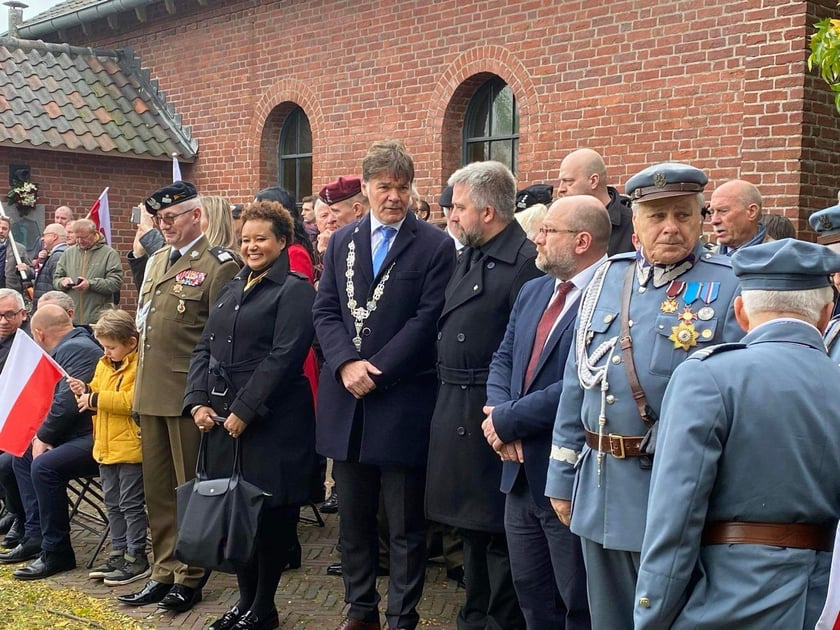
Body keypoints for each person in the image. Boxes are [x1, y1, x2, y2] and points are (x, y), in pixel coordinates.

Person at [545, 162, 744, 629]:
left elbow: (740, 398)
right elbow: (579, 379)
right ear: (634, 222)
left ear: (701, 218)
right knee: (606, 616)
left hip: (673, 493)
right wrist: (559, 473)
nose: (670, 227)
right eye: (656, 216)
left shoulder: (729, 285)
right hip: (599, 486)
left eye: (682, 214)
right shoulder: (607, 279)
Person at [635, 238, 840, 628]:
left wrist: (652, 611)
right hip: (823, 598)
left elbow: (675, 515)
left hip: (725, 597)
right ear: (827, 314)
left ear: (741, 312)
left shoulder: (708, 376)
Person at [313, 139, 455, 630]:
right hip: (346, 401)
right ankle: (360, 608)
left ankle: (402, 613)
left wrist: (376, 370)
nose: (393, 196)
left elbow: (427, 318)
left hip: (400, 399)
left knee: (403, 523)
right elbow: (325, 309)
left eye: (401, 186)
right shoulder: (343, 242)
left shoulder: (435, 246)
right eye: (383, 186)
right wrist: (345, 364)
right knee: (352, 518)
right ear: (367, 189)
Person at [185, 200, 316, 630]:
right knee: (233, 513)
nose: (252, 246)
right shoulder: (231, 286)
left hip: (273, 421)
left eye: (261, 238)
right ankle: (243, 602)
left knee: (269, 516)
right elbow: (204, 347)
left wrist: (246, 409)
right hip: (223, 419)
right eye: (245, 239)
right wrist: (198, 401)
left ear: (282, 241)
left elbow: (284, 356)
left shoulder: (294, 290)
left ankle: (264, 607)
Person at [484, 195, 609, 629]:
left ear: (581, 241)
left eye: (548, 231)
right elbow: (503, 358)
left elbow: (583, 381)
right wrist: (498, 415)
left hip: (568, 478)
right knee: (532, 597)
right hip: (516, 472)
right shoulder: (534, 290)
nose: (536, 238)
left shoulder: (612, 296)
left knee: (578, 602)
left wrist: (507, 421)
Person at [425, 160, 541, 630]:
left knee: (499, 535)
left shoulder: (525, 264)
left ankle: (496, 621)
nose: (451, 215)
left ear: (488, 212)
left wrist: (506, 415)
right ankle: (474, 616)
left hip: (492, 413)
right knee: (471, 530)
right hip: (456, 403)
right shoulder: (469, 255)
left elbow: (525, 351)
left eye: (459, 207)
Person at [118, 181, 240, 613]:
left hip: (189, 395)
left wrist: (205, 396)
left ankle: (190, 574)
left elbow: (219, 338)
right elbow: (147, 329)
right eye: (158, 219)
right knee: (158, 491)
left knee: (190, 487)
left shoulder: (219, 263)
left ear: (196, 216)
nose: (164, 225)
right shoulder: (153, 262)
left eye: (171, 217)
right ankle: (163, 569)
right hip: (151, 390)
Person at [3, 305, 101, 579]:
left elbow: (66, 403)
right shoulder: (71, 346)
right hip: (77, 433)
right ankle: (34, 534)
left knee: (45, 466)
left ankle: (57, 551)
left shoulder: (76, 349)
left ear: (39, 333)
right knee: (21, 455)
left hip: (95, 436)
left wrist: (44, 436)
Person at [66, 309, 148, 587]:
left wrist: (95, 398)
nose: (107, 351)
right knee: (112, 503)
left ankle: (136, 555)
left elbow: (132, 401)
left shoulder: (141, 366)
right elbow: (97, 391)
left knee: (131, 504)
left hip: (130, 447)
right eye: (104, 346)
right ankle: (118, 551)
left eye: (111, 347)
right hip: (105, 446)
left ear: (131, 342)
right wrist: (85, 389)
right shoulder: (104, 363)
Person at [556, 148, 635, 255]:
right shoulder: (557, 225)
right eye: (561, 182)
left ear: (593, 181)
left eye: (568, 181)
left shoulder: (634, 226)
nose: (561, 189)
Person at [53, 219, 123, 326]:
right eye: (77, 237)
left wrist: (90, 284)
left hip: (98, 321)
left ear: (94, 234)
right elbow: (56, 279)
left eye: (84, 237)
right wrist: (62, 282)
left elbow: (115, 283)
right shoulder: (68, 253)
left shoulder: (109, 254)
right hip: (71, 320)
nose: (80, 241)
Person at [0, 289, 28, 551]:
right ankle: (10, 506)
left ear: (22, 313)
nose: (3, 321)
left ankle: (20, 516)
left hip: (20, 418)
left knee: (7, 463)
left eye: (9, 314)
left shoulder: (27, 344)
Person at [707, 179, 769, 254]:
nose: (714, 221)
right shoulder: (707, 259)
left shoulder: (777, 261)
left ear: (752, 212)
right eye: (712, 212)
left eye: (723, 211)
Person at [33, 223, 67, 308]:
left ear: (54, 237)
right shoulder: (58, 254)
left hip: (50, 307)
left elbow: (56, 285)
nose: (42, 239)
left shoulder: (58, 256)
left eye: (45, 235)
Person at [0, 217, 34, 296]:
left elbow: (32, 273)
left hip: (10, 293)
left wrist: (26, 269)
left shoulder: (19, 249)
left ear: (9, 231)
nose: (1, 231)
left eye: (4, 229)